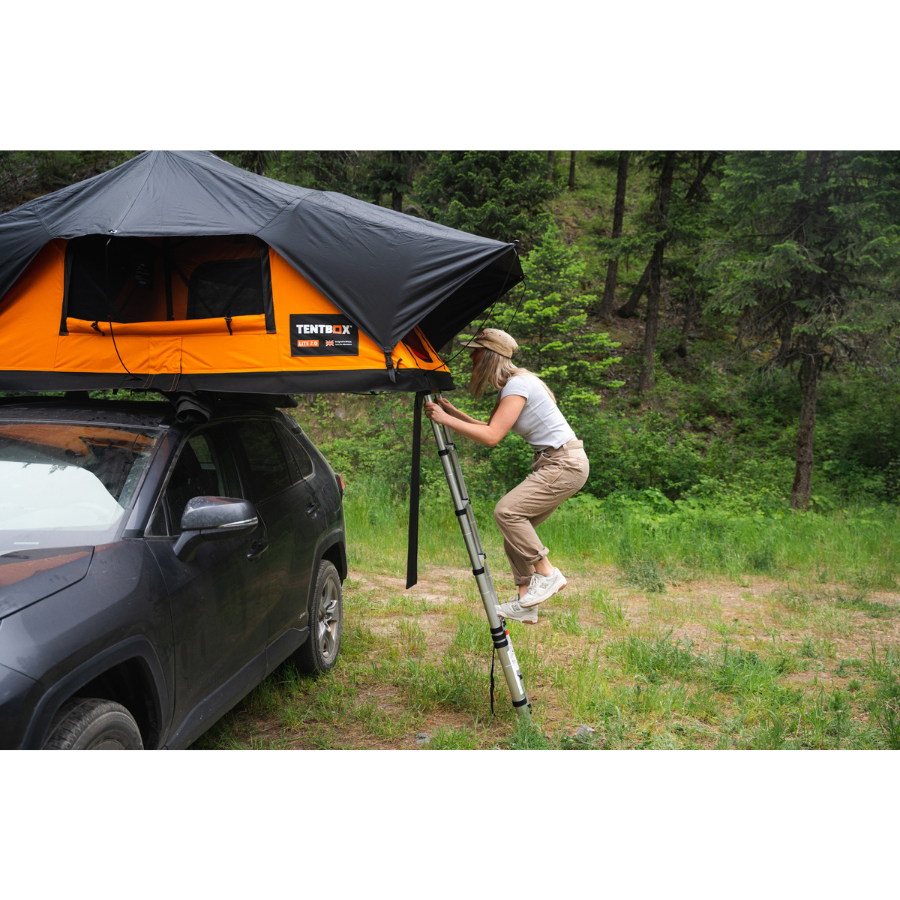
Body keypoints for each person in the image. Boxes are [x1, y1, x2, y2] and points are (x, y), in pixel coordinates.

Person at [424, 328, 589, 624]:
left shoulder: (518, 385)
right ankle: (526, 602)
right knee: (515, 533)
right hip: (560, 462)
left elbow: (491, 437)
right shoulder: (513, 386)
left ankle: (548, 574)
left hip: (563, 463)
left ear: (489, 356)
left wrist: (444, 418)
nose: (471, 356)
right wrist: (455, 413)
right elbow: (490, 426)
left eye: (476, 351)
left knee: (507, 512)